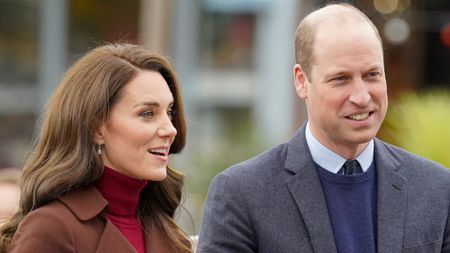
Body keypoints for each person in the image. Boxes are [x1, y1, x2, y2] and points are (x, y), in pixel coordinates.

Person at [197, 3, 450, 253]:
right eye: (341, 79)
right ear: (301, 81)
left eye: (372, 74)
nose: (361, 97)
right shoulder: (242, 194)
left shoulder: (438, 189)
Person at [0, 43, 193, 253]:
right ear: (96, 128)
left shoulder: (167, 232)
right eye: (147, 114)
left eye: (170, 112)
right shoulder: (51, 228)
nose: (170, 129)